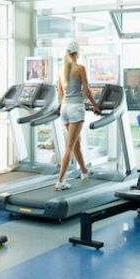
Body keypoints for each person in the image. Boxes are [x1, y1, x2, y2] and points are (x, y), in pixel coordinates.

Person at [56, 41, 101, 191]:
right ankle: (60, 181)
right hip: (76, 108)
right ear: (76, 53)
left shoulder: (61, 70)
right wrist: (95, 105)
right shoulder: (80, 68)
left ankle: (84, 171)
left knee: (76, 143)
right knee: (70, 145)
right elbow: (87, 91)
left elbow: (60, 93)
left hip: (64, 108)